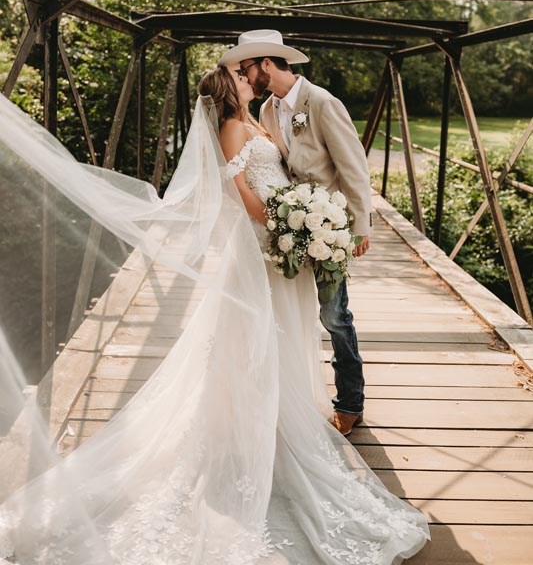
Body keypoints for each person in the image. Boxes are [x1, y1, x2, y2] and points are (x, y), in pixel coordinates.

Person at [0, 66, 429, 563]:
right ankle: (249, 429)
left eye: (251, 71)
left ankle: (275, 420)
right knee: (252, 336)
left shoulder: (261, 117)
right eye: (242, 76)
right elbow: (239, 192)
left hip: (282, 243)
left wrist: (307, 215)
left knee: (282, 333)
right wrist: (284, 218)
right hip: (262, 244)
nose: (251, 78)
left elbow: (287, 170)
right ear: (232, 88)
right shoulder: (232, 125)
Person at [219, 29, 371, 437]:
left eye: (247, 68)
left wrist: (359, 224)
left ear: (266, 64)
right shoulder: (266, 110)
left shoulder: (321, 102)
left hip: (329, 223)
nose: (246, 77)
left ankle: (351, 402)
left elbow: (353, 166)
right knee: (300, 310)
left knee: (335, 315)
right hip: (289, 225)